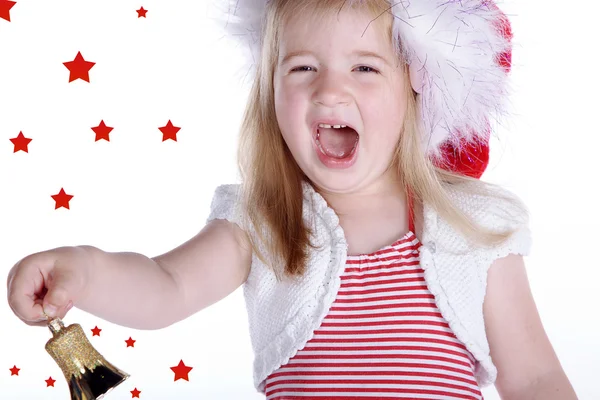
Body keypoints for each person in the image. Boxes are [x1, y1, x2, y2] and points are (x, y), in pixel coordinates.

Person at [7, 0, 577, 399]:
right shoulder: (262, 222)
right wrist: (83, 269)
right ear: (271, 91)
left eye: (364, 67)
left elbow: (531, 379)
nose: (331, 89)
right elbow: (165, 286)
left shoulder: (474, 227)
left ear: (415, 81)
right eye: (303, 67)